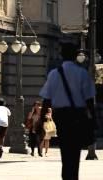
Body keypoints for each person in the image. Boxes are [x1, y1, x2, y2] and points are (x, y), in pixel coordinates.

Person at [39, 43, 96, 180]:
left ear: (61, 55)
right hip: (78, 115)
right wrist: (93, 119)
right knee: (75, 151)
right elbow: (89, 100)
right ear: (75, 55)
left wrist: (41, 120)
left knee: (65, 150)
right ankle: (73, 176)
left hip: (61, 116)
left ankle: (66, 176)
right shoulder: (82, 73)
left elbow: (46, 99)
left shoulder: (54, 74)